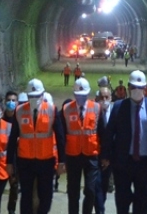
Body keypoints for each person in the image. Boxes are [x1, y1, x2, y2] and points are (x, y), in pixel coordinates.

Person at [101, 70, 147, 214]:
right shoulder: (119, 107)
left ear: (145, 89)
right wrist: (106, 155)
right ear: (128, 88)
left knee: (142, 202)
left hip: (146, 164)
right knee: (122, 201)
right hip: (123, 163)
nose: (137, 91)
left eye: (140, 88)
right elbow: (109, 132)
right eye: (133, 87)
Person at [56, 77, 103, 214]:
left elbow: (102, 131)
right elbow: (61, 135)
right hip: (73, 155)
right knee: (73, 192)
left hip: (91, 155)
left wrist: (104, 154)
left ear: (88, 94)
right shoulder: (66, 110)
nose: (81, 98)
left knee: (90, 189)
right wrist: (62, 159)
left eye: (83, 95)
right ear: (74, 95)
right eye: (78, 95)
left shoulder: (96, 108)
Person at [16, 79, 59, 214]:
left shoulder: (51, 110)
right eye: (31, 96)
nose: (34, 99)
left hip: (45, 160)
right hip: (26, 160)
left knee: (46, 195)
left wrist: (62, 160)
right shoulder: (20, 111)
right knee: (26, 195)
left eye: (37, 96)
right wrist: (10, 162)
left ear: (43, 95)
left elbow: (60, 137)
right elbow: (12, 138)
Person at [2, 91, 22, 214]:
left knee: (14, 185)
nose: (11, 103)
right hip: (1, 158)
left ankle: (11, 210)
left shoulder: (20, 120)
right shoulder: (0, 119)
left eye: (13, 100)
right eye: (9, 100)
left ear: (18, 102)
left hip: (17, 157)